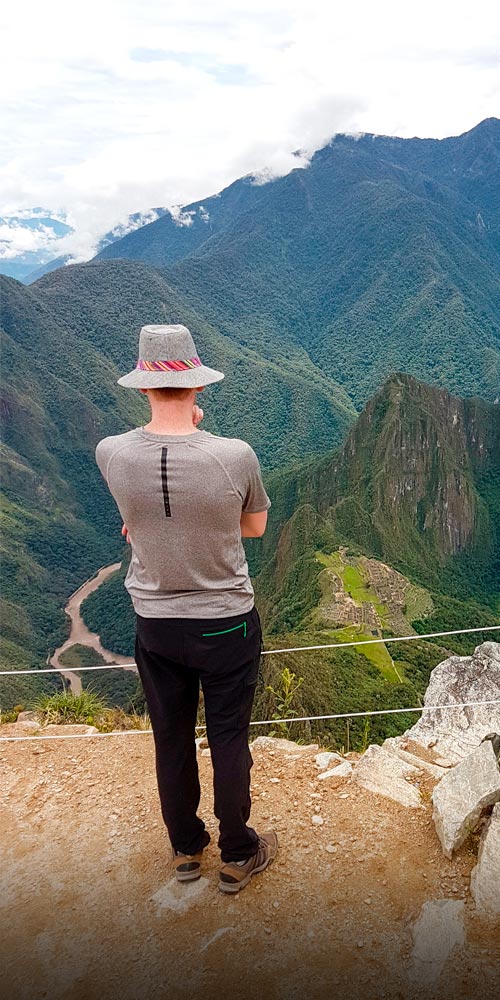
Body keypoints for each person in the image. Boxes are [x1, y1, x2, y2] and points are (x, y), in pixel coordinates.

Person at [95, 323, 278, 894]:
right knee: (227, 737)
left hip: (155, 623)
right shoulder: (234, 455)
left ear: (142, 386)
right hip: (225, 621)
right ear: (198, 385)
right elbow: (254, 527)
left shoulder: (111, 454)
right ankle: (237, 853)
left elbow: (139, 517)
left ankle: (185, 850)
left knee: (171, 737)